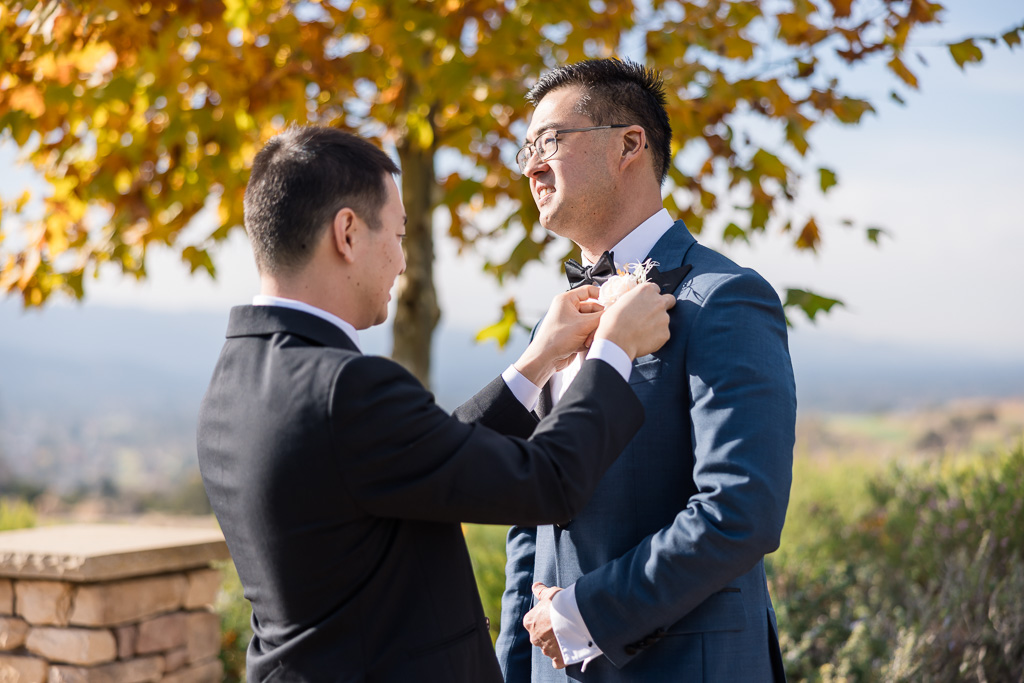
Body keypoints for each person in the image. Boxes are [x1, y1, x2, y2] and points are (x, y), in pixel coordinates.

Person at [196, 125, 677, 682]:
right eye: (398, 234)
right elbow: (547, 482)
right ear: (347, 233)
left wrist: (535, 363)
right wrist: (614, 350)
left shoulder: (232, 383)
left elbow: (413, 462)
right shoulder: (345, 388)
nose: (402, 262)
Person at [494, 59, 797, 682]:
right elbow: (531, 523)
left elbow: (739, 509)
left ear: (630, 144)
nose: (530, 166)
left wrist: (585, 612)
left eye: (549, 141)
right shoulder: (552, 325)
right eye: (525, 148)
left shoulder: (726, 299)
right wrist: (514, 667)